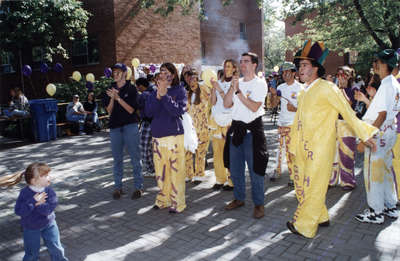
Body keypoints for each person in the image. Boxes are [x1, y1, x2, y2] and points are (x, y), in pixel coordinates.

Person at [287, 40, 377, 238]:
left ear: (316, 68)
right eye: (299, 65)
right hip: (301, 146)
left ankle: (305, 226)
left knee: (314, 185)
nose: (299, 69)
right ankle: (321, 216)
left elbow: (347, 112)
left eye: (304, 65)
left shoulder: (328, 88)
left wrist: (365, 134)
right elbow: (298, 121)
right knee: (302, 184)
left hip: (320, 148)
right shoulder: (304, 91)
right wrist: (292, 144)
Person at [355, 49, 400, 223]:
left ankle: (376, 211)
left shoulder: (387, 86)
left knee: (373, 173)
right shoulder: (395, 85)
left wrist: (367, 136)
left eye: (378, 63)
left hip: (378, 133)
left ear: (384, 65)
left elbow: (380, 115)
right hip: (389, 131)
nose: (375, 65)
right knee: (386, 171)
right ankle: (390, 205)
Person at [223, 52, 269, 219]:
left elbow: (254, 107)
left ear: (254, 64)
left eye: (246, 62)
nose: (242, 65)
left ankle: (259, 203)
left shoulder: (260, 83)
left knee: (255, 169)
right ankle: (239, 198)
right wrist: (232, 88)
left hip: (252, 132)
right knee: (235, 169)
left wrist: (238, 92)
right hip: (237, 130)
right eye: (241, 62)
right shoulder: (237, 83)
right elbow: (227, 104)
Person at [0, 162, 68, 261]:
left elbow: (48, 210)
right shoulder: (24, 193)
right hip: (30, 227)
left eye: (48, 174)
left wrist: (40, 204)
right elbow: (19, 211)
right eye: (45, 176)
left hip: (49, 224)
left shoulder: (49, 191)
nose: (49, 177)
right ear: (33, 180)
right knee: (31, 252)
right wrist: (33, 202)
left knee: (56, 247)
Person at [144, 62, 187, 213]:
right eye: (161, 71)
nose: (163, 74)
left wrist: (165, 96)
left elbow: (177, 111)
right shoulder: (152, 92)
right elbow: (148, 113)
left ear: (173, 75)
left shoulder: (179, 90)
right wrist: (158, 95)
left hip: (175, 138)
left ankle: (178, 203)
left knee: (176, 172)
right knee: (161, 173)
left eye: (166, 72)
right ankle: (164, 199)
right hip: (158, 138)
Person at [104, 63, 143, 200]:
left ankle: (138, 187)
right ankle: (118, 188)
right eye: (113, 71)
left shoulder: (131, 89)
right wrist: (112, 99)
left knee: (135, 157)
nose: (115, 74)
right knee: (117, 159)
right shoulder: (109, 89)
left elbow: (131, 110)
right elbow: (108, 111)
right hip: (115, 127)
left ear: (125, 73)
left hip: (130, 126)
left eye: (118, 72)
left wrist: (118, 98)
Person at [268, 62, 302, 187]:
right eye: (283, 72)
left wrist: (295, 109)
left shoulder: (300, 88)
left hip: (293, 124)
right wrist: (273, 95)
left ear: (294, 72)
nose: (285, 74)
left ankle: (294, 176)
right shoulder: (280, 87)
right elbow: (273, 104)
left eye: (288, 71)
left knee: (291, 151)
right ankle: (277, 171)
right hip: (282, 123)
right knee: (280, 149)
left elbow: (305, 108)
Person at [209, 59, 237, 191]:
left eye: (229, 66)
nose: (226, 68)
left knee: (230, 153)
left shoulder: (236, 83)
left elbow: (229, 103)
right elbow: (213, 102)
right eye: (225, 66)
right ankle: (220, 179)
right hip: (216, 121)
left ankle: (232, 180)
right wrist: (213, 89)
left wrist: (219, 89)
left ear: (234, 69)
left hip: (229, 122)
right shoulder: (218, 82)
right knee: (217, 152)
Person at [330, 66, 358, 190]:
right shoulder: (334, 90)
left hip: (347, 125)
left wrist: (341, 90)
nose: (340, 78)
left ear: (348, 77)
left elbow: (349, 104)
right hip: (335, 124)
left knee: (347, 154)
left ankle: (348, 181)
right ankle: (332, 179)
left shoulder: (353, 90)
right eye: (339, 76)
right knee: (333, 153)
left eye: (343, 76)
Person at [185, 69, 210, 185]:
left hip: (203, 128)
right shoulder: (188, 95)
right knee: (188, 151)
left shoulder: (204, 90)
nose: (192, 82)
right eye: (190, 80)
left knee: (201, 152)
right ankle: (188, 174)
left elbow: (211, 99)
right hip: (191, 128)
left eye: (194, 79)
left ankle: (199, 174)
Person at [136, 77, 155, 177]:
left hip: (147, 123)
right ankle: (155, 167)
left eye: (138, 87)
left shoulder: (143, 95)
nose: (138, 89)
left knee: (144, 146)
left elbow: (138, 109)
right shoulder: (155, 90)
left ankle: (150, 169)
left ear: (141, 86)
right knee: (153, 147)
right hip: (157, 122)